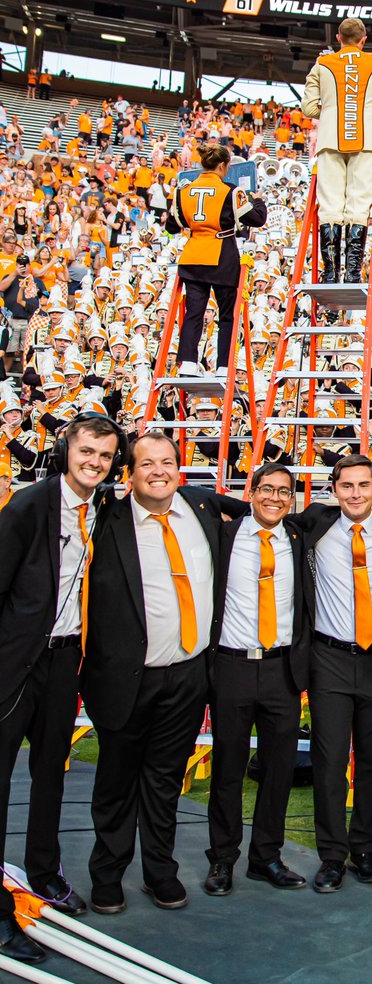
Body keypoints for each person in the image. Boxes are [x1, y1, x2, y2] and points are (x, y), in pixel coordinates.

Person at [81, 431, 245, 915]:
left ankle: (160, 871)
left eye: (168, 461)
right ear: (128, 472)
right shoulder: (106, 517)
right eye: (146, 462)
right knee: (116, 782)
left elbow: (264, 508)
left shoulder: (200, 507)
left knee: (164, 781)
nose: (159, 470)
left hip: (188, 675)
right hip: (126, 676)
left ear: (181, 466)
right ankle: (107, 873)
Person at [0, 414, 126, 966]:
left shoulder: (103, 508)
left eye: (104, 455)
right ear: (65, 449)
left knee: (52, 772)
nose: (95, 462)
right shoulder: (28, 507)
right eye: (87, 451)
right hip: (14, 664)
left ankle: (44, 874)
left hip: (63, 661)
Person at [203, 463, 312, 898]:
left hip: (282, 669)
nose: (275, 498)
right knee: (228, 769)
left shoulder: (300, 537)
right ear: (251, 492)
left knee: (278, 769)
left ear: (293, 498)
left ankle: (266, 855)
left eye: (284, 492)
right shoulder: (222, 537)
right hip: (232, 666)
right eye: (266, 489)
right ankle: (222, 859)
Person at [300, 455, 372, 895]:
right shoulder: (313, 527)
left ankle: (366, 850)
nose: (356, 494)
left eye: (365, 485)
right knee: (328, 762)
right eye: (347, 486)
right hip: (330, 657)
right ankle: (331, 857)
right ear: (333, 489)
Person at [302, 18, 372, 283]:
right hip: (365, 140)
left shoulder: (322, 64)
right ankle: (354, 272)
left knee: (330, 205)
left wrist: (331, 110)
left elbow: (308, 109)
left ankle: (331, 272)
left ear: (338, 38)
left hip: (330, 139)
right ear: (363, 40)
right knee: (358, 204)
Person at [166, 142, 267, 377]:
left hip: (192, 255)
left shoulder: (183, 190)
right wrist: (258, 199)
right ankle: (223, 366)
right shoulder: (231, 190)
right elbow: (257, 218)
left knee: (194, 312)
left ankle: (188, 363)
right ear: (223, 165)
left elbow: (172, 226)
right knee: (226, 315)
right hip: (222, 255)